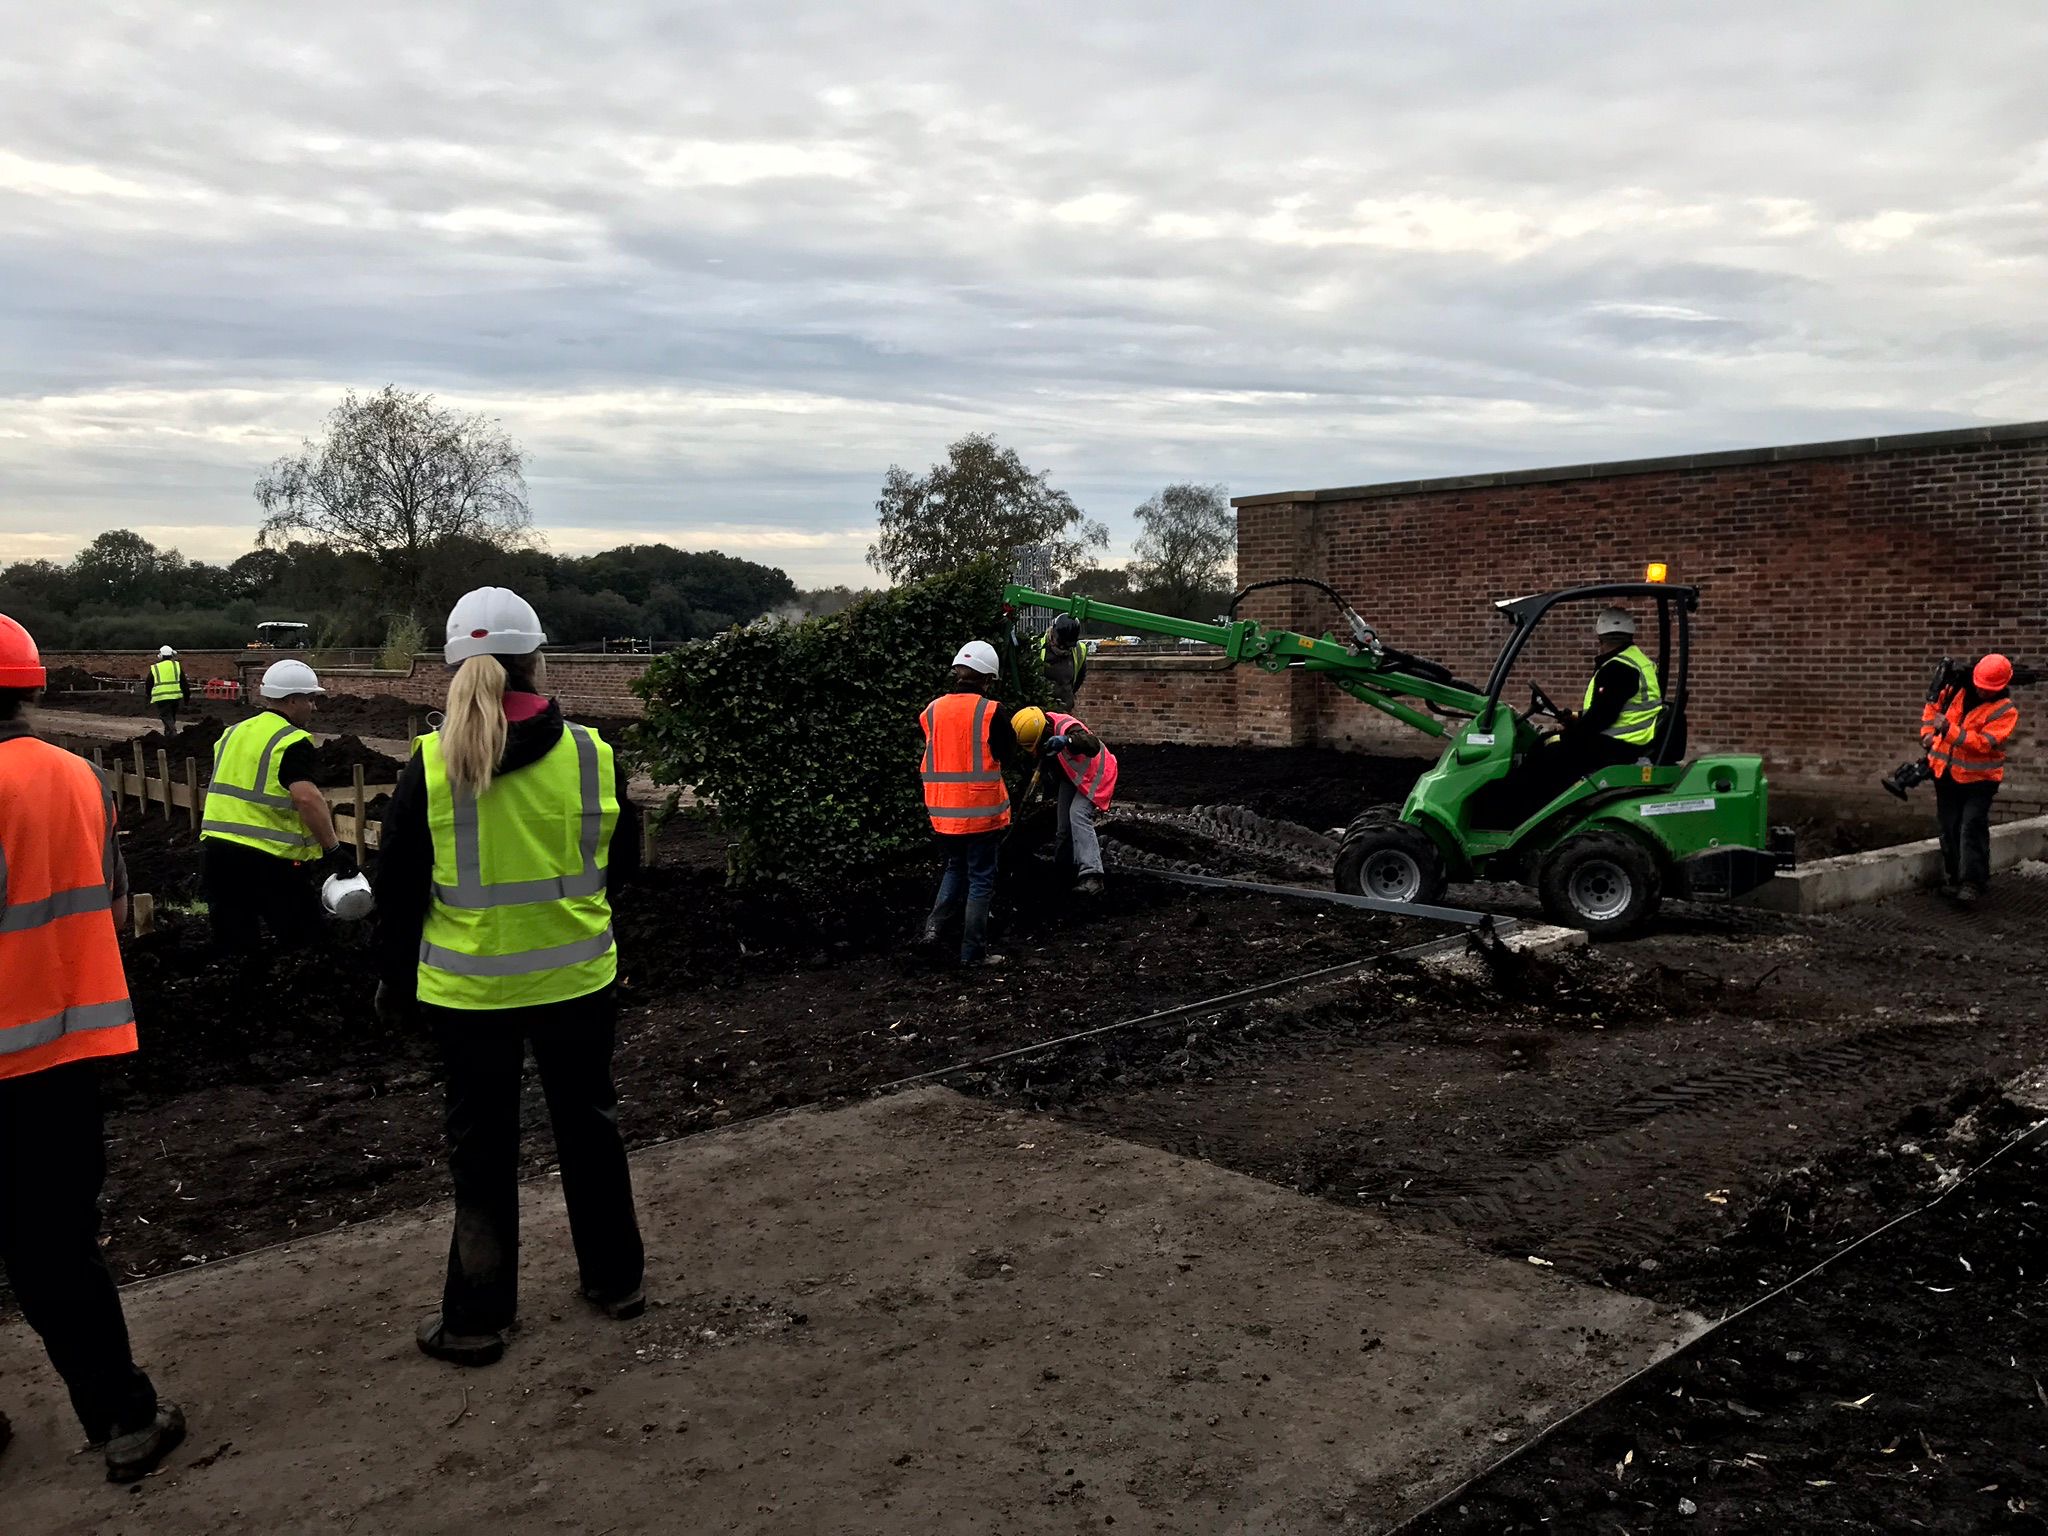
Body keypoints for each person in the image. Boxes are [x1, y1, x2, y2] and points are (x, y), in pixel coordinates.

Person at [373, 587, 644, 1368]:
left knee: (483, 1150)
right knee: (591, 1129)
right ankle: (617, 1281)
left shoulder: (429, 764)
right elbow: (618, 868)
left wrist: (395, 982)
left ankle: (477, 1319)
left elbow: (398, 892)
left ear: (455, 665)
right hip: (579, 983)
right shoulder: (593, 755)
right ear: (537, 661)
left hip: (468, 996)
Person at [0, 613, 184, 1483]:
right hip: (72, 1046)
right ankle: (121, 1414)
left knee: (39, 1248)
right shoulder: (82, 777)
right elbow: (107, 907)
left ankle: (118, 1414)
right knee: (58, 1242)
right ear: (32, 686)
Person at [198, 659, 357, 957]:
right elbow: (306, 798)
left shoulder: (233, 733)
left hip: (216, 855)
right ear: (292, 700)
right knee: (305, 944)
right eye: (310, 699)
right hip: (268, 862)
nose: (315, 707)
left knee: (235, 948)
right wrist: (334, 849)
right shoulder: (292, 741)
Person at [918, 640, 1017, 966]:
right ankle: (973, 954)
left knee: (955, 867)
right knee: (980, 880)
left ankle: (933, 930)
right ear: (987, 679)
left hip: (943, 815)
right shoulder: (991, 711)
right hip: (981, 816)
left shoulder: (931, 711)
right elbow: (1008, 754)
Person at [1923, 653, 2019, 906]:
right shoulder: (1954, 690)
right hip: (1945, 773)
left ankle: (1973, 882)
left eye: (1989, 690)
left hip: (1980, 779)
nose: (1983, 692)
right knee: (1949, 826)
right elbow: (1932, 708)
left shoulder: (2005, 711)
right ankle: (1955, 878)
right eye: (1981, 687)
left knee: (1971, 827)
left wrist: (1948, 731)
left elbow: (1983, 744)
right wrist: (1928, 734)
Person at [1012, 705, 1117, 896]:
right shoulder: (1042, 729)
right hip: (1074, 777)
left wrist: (1067, 740)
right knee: (1063, 826)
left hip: (1096, 774)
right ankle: (1062, 871)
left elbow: (1091, 744)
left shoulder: (1067, 728)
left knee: (1077, 814)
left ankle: (1092, 875)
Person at [1038, 615, 1088, 709]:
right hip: (1042, 710)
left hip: (1065, 709)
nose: (1063, 649)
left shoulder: (1079, 650)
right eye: (1061, 645)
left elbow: (1079, 679)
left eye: (1067, 647)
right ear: (1053, 633)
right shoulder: (1037, 648)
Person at [146, 645, 187, 739]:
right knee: (171, 716)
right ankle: (168, 734)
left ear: (160, 656)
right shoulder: (176, 666)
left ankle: (173, 733)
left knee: (166, 716)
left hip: (161, 697)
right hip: (175, 697)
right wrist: (187, 697)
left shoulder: (156, 667)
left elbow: (149, 682)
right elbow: (184, 682)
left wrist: (148, 696)